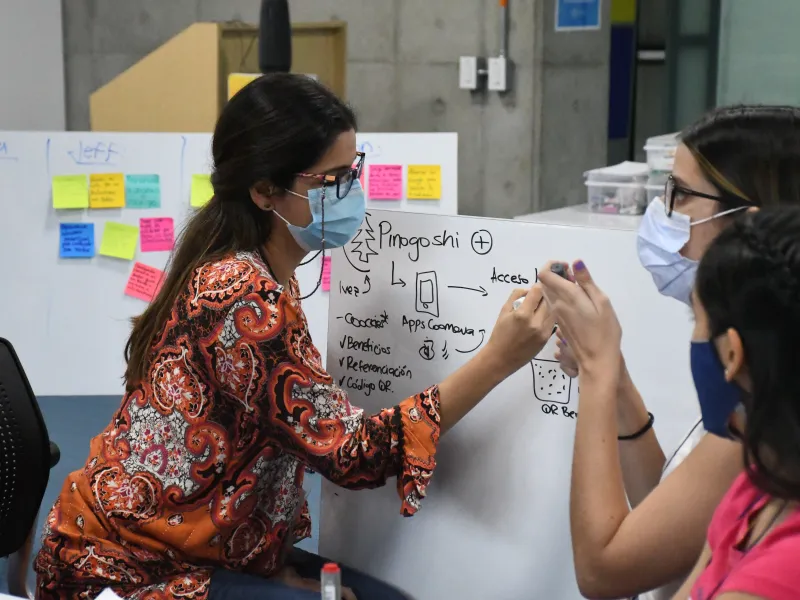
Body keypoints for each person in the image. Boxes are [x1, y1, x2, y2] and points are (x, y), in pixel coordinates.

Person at [34, 74, 556, 600]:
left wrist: (266, 567)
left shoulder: (257, 271)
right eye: (330, 181)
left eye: (352, 172)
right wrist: (498, 358)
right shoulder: (243, 298)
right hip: (128, 569)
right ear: (265, 191)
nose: (349, 194)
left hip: (197, 546)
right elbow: (354, 455)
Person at [542, 105, 800, 600]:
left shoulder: (764, 421)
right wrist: (616, 381)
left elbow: (604, 569)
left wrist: (597, 370)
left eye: (680, 194)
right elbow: (666, 522)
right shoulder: (755, 425)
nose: (662, 211)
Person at [675, 207, 800, 598]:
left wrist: (600, 369)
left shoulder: (782, 571)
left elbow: (603, 569)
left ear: (732, 353)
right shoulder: (759, 483)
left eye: (695, 318)